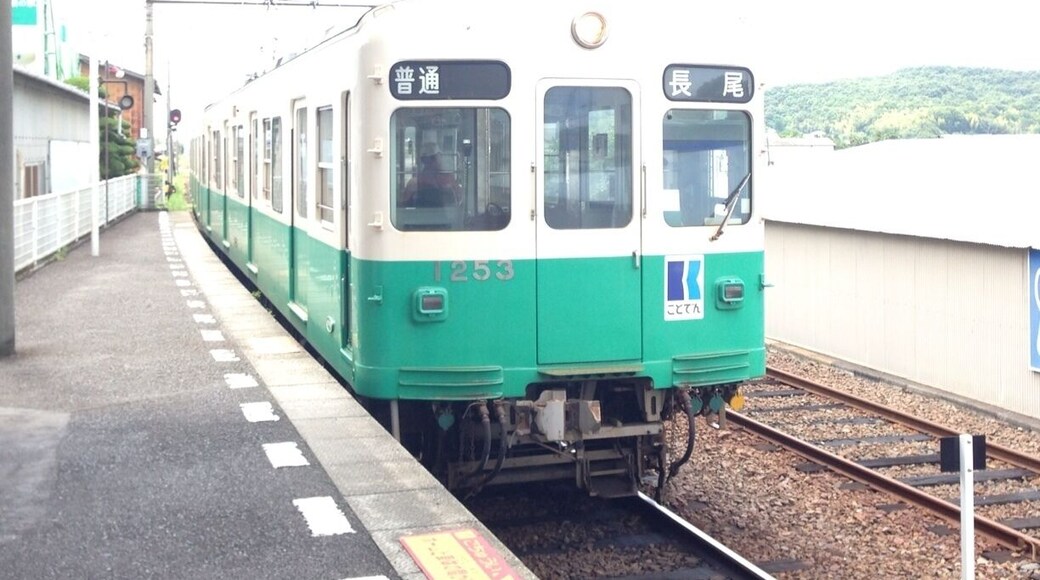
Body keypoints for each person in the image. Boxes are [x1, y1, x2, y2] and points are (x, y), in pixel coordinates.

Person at [401, 143, 461, 207]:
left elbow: (404, 204)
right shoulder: (448, 179)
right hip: (437, 216)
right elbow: (459, 198)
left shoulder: (413, 182)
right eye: (437, 156)